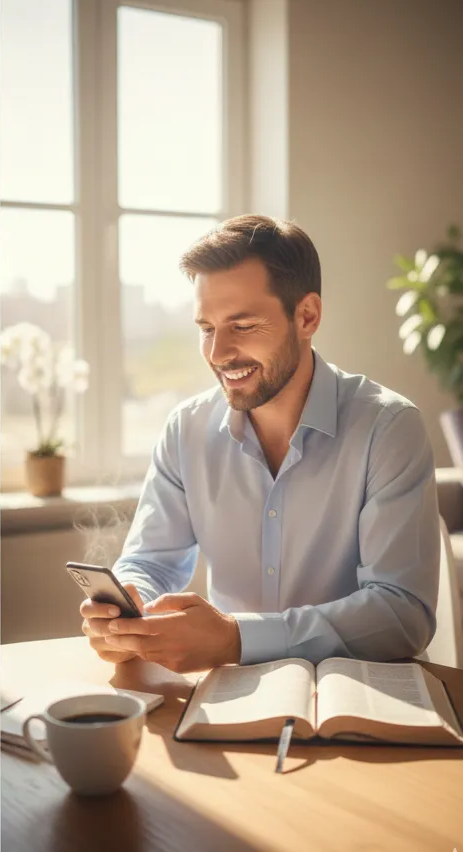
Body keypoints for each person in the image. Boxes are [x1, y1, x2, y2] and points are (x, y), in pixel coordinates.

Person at [82, 214, 440, 672]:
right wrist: (129, 605)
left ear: (306, 316)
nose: (217, 353)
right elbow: (151, 563)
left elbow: (402, 614)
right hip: (230, 697)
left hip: (358, 697)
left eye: (243, 325)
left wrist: (236, 639)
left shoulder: (387, 427)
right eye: (207, 328)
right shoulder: (185, 429)